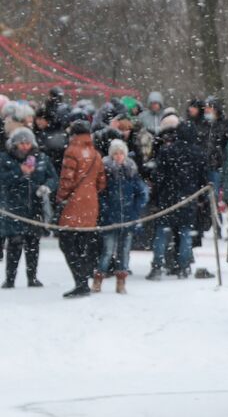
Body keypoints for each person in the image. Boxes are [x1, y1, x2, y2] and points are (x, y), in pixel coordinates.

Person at [147, 111, 204, 279]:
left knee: (162, 233)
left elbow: (158, 177)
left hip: (168, 197)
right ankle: (184, 266)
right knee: (185, 234)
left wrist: (156, 195)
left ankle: (157, 266)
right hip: (188, 198)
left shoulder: (167, 151)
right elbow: (203, 179)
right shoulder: (198, 154)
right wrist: (201, 199)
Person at [1, 126, 59, 288]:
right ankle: (10, 278)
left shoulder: (42, 158)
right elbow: (2, 180)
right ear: (14, 144)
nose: (25, 146)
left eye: (27, 143)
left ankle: (32, 277)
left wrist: (46, 187)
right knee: (14, 243)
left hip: (35, 208)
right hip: (13, 208)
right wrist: (20, 172)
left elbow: (53, 178)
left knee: (33, 244)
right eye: (21, 143)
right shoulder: (5, 159)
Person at [55, 119, 107, 298]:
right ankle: (84, 278)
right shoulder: (96, 154)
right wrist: (90, 191)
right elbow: (102, 182)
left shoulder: (72, 151)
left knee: (67, 242)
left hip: (74, 202)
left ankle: (81, 282)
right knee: (84, 243)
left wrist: (60, 197)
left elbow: (66, 180)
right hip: (91, 201)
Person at [94, 139, 148, 294]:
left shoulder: (131, 172)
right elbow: (101, 194)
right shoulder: (106, 172)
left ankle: (121, 281)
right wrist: (105, 210)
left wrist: (135, 210)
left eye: (121, 153)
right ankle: (98, 279)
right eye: (115, 153)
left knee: (124, 252)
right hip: (110, 218)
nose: (118, 156)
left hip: (128, 218)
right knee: (107, 251)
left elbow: (142, 193)